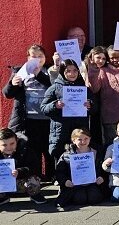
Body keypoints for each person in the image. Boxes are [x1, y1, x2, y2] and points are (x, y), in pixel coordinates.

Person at [3, 44, 54, 190]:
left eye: (40, 56)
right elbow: (7, 94)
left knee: (49, 149)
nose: (37, 59)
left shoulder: (50, 70)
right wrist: (13, 84)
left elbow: (54, 87)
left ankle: (52, 176)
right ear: (28, 58)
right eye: (34, 56)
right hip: (28, 120)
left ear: (45, 58)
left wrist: (39, 74)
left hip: (47, 118)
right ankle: (36, 178)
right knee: (32, 150)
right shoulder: (20, 71)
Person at [40, 59, 94, 164]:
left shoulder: (84, 88)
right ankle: (60, 179)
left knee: (79, 156)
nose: (72, 73)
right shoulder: (55, 88)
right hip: (61, 130)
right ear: (62, 72)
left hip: (79, 129)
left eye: (75, 70)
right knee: (60, 157)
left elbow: (95, 107)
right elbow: (43, 108)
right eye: (68, 71)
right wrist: (55, 105)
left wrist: (90, 105)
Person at [54, 128, 105, 209]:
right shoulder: (67, 155)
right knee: (80, 199)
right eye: (79, 139)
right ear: (73, 140)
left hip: (93, 183)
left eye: (86, 139)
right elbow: (59, 172)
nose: (83, 142)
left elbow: (103, 169)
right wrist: (65, 181)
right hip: (75, 185)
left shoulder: (97, 152)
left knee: (94, 198)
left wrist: (101, 177)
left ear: (90, 139)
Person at [0, 128, 44, 206]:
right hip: (3, 184)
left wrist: (19, 171)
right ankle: (2, 197)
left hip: (22, 183)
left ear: (16, 141)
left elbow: (35, 167)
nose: (9, 147)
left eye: (12, 143)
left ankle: (35, 195)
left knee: (34, 179)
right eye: (4, 145)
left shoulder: (26, 150)